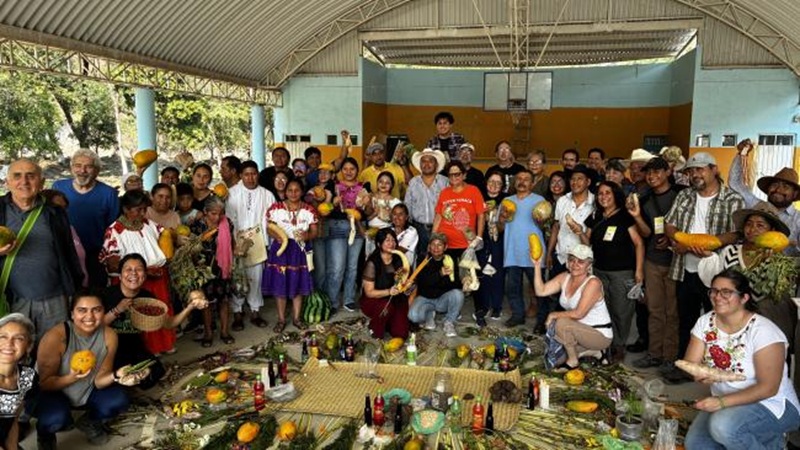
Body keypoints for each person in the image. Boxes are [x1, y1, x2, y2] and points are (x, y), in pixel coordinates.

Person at [683, 269, 800, 449]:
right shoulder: (705, 322)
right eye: (713, 291)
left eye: (726, 292)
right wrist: (700, 373)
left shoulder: (764, 331)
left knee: (723, 427)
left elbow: (768, 388)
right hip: (726, 400)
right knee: (697, 444)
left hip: (771, 405)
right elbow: (691, 363)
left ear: (744, 298)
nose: (717, 296)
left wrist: (720, 402)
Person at [662, 152, 744, 383]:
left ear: (714, 170)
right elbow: (670, 224)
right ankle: (685, 366)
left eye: (699, 169)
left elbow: (736, 233)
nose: (694, 175)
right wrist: (679, 241)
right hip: (686, 269)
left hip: (718, 273)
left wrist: (707, 243)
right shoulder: (685, 196)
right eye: (690, 171)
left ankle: (719, 369)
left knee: (719, 321)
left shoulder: (732, 199)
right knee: (686, 320)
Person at [35, 291, 150, 449]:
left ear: (103, 311)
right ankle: (45, 434)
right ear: (72, 314)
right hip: (56, 391)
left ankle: (90, 422)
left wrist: (117, 375)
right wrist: (72, 378)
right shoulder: (56, 337)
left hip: (88, 390)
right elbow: (44, 384)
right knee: (54, 418)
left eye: (96, 310)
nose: (89, 316)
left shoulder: (109, 335)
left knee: (119, 400)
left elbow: (100, 380)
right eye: (82, 310)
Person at [0, 159, 83, 340]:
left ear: (42, 182)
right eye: (17, 176)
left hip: (54, 300)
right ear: (7, 182)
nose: (24, 181)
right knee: (14, 354)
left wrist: (74, 292)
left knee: (53, 353)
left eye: (31, 176)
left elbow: (69, 254)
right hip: (10, 299)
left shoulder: (55, 212)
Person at [103, 254, 208, 385]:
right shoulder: (106, 295)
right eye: (128, 269)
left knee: (154, 374)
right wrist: (117, 310)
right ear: (120, 275)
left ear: (145, 275)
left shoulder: (148, 297)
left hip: (135, 347)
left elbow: (168, 323)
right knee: (118, 381)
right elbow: (94, 326)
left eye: (139, 269)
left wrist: (190, 307)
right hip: (109, 350)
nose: (134, 273)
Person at [99, 190, 176, 355]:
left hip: (157, 277)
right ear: (126, 209)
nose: (143, 213)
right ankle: (146, 351)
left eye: (144, 209)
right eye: (138, 209)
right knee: (141, 316)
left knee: (158, 311)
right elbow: (113, 265)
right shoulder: (115, 231)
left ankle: (162, 345)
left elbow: (166, 235)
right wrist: (144, 271)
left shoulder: (149, 224)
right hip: (134, 282)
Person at [579, 181, 645, 363]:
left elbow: (639, 243)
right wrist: (579, 231)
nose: (603, 196)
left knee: (621, 311)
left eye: (608, 193)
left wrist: (639, 270)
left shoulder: (625, 216)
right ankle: (605, 343)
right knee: (602, 309)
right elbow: (587, 243)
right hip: (599, 271)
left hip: (622, 273)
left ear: (615, 195)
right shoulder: (595, 215)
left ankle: (619, 346)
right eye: (600, 193)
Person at [629, 157, 684, 369]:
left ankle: (670, 357)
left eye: (656, 172)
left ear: (668, 172)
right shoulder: (644, 199)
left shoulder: (680, 196)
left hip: (675, 261)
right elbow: (645, 233)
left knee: (672, 312)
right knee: (655, 309)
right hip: (652, 260)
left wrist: (673, 239)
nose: (652, 176)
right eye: (648, 173)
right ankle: (654, 353)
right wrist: (637, 216)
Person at [533, 244, 613, 369]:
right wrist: (537, 265)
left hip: (599, 334)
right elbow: (541, 291)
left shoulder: (593, 283)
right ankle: (595, 352)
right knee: (557, 359)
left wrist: (553, 314)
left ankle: (573, 360)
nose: (575, 264)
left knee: (561, 323)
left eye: (581, 261)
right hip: (578, 330)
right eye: (571, 260)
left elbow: (578, 314)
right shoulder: (565, 277)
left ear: (589, 265)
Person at [52, 149, 119, 288]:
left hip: (96, 256)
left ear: (97, 170)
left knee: (95, 293)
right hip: (64, 254)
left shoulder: (109, 194)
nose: (82, 170)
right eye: (77, 165)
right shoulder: (58, 187)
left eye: (88, 166)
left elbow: (112, 230)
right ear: (71, 168)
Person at [263, 180, 318, 333]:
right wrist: (278, 236)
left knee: (298, 284)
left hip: (299, 250)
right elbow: (269, 228)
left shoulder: (309, 210)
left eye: (297, 190)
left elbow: (315, 232)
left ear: (302, 192)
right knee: (280, 283)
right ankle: (281, 319)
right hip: (281, 248)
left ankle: (296, 318)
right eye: (290, 190)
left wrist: (306, 235)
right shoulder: (276, 208)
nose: (293, 193)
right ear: (285, 192)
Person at [226, 160, 275, 331]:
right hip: (237, 239)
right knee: (238, 278)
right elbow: (229, 220)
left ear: (258, 175)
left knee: (256, 276)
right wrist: (233, 244)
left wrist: (267, 243)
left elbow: (270, 221)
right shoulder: (231, 193)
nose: (250, 177)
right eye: (246, 174)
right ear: (240, 176)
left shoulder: (267, 194)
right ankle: (238, 311)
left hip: (258, 240)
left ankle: (255, 311)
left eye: (254, 174)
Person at [729, 138, 800, 255]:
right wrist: (742, 154)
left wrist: (791, 244)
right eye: (775, 184)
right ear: (768, 189)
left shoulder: (798, 220)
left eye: (785, 187)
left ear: (795, 194)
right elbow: (735, 183)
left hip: (784, 271)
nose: (778, 190)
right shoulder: (756, 206)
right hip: (750, 267)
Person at [498, 169, 547, 328]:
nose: (522, 181)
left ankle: (542, 320)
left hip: (534, 253)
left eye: (526, 179)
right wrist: (503, 219)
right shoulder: (506, 201)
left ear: (532, 184)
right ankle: (518, 315)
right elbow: (500, 228)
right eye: (519, 178)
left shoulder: (540, 201)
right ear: (514, 182)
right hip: (512, 251)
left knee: (538, 289)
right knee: (513, 288)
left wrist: (540, 220)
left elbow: (545, 227)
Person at [189, 196, 236, 346]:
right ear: (205, 212)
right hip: (204, 268)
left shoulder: (227, 223)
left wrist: (232, 260)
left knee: (224, 300)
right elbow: (192, 250)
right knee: (206, 302)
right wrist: (198, 267)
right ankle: (208, 333)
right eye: (213, 213)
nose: (217, 217)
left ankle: (224, 331)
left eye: (220, 213)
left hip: (223, 267)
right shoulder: (197, 227)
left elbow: (232, 243)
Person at [325, 157, 368, 312]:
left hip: (356, 227)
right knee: (337, 267)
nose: (349, 172)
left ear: (357, 171)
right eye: (345, 169)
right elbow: (325, 209)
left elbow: (366, 212)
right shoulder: (334, 186)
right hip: (337, 227)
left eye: (352, 169)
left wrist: (363, 206)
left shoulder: (363, 187)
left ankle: (349, 298)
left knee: (352, 266)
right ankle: (333, 301)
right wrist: (333, 203)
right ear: (341, 171)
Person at [407, 233, 464, 337]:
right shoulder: (423, 259)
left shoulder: (450, 260)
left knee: (458, 294)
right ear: (429, 247)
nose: (436, 248)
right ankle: (429, 315)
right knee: (413, 316)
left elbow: (454, 284)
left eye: (440, 245)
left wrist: (465, 282)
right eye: (433, 245)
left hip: (442, 299)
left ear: (445, 247)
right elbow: (422, 282)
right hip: (425, 297)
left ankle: (449, 321)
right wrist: (440, 274)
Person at [360, 228, 410, 339]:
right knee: (385, 309)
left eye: (393, 240)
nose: (391, 243)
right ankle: (374, 327)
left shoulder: (399, 259)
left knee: (401, 334)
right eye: (387, 240)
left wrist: (407, 286)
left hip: (395, 299)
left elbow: (403, 281)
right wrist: (389, 291)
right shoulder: (372, 262)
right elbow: (369, 292)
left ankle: (387, 322)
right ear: (379, 244)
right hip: (375, 301)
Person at [547, 164, 595, 277]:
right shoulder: (562, 200)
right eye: (572, 179)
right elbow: (555, 228)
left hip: (581, 262)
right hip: (560, 258)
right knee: (556, 292)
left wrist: (579, 231)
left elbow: (590, 240)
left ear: (588, 182)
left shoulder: (595, 203)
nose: (575, 182)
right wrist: (549, 253)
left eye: (579, 179)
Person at [474, 170, 507, 326]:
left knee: (497, 274)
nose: (494, 185)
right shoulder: (478, 198)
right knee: (482, 274)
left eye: (498, 183)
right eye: (491, 181)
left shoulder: (506, 201)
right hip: (481, 240)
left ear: (502, 186)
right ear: (486, 183)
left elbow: (506, 225)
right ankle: (483, 306)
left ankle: (497, 306)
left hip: (498, 241)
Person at [433, 161, 485, 261]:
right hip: (445, 243)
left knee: (466, 276)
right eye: (450, 175)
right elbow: (439, 215)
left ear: (464, 175)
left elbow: (481, 215)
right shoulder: (444, 192)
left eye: (457, 174)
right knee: (449, 274)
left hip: (466, 243)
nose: (454, 177)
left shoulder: (473, 190)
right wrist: (433, 237)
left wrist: (479, 237)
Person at [0, 314, 37, 450]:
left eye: (19, 338)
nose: (9, 343)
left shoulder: (27, 376)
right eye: (3, 336)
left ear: (28, 347)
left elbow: (13, 418)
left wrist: (12, 447)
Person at [405, 149, 448, 264]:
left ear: (436, 164)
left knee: (441, 259)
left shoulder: (445, 182)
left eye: (430, 161)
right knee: (421, 259)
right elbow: (407, 206)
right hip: (419, 228)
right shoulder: (413, 182)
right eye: (423, 161)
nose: (427, 164)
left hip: (441, 228)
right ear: (420, 165)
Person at [41, 189, 89, 289]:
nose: (63, 212)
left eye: (65, 208)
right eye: (58, 208)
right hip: (60, 291)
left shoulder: (70, 229)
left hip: (80, 287)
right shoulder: (44, 234)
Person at [390, 204, 418, 269]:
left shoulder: (412, 231)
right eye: (394, 214)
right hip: (390, 266)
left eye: (400, 214)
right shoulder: (389, 230)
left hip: (406, 269)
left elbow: (399, 251)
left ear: (406, 217)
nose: (397, 217)